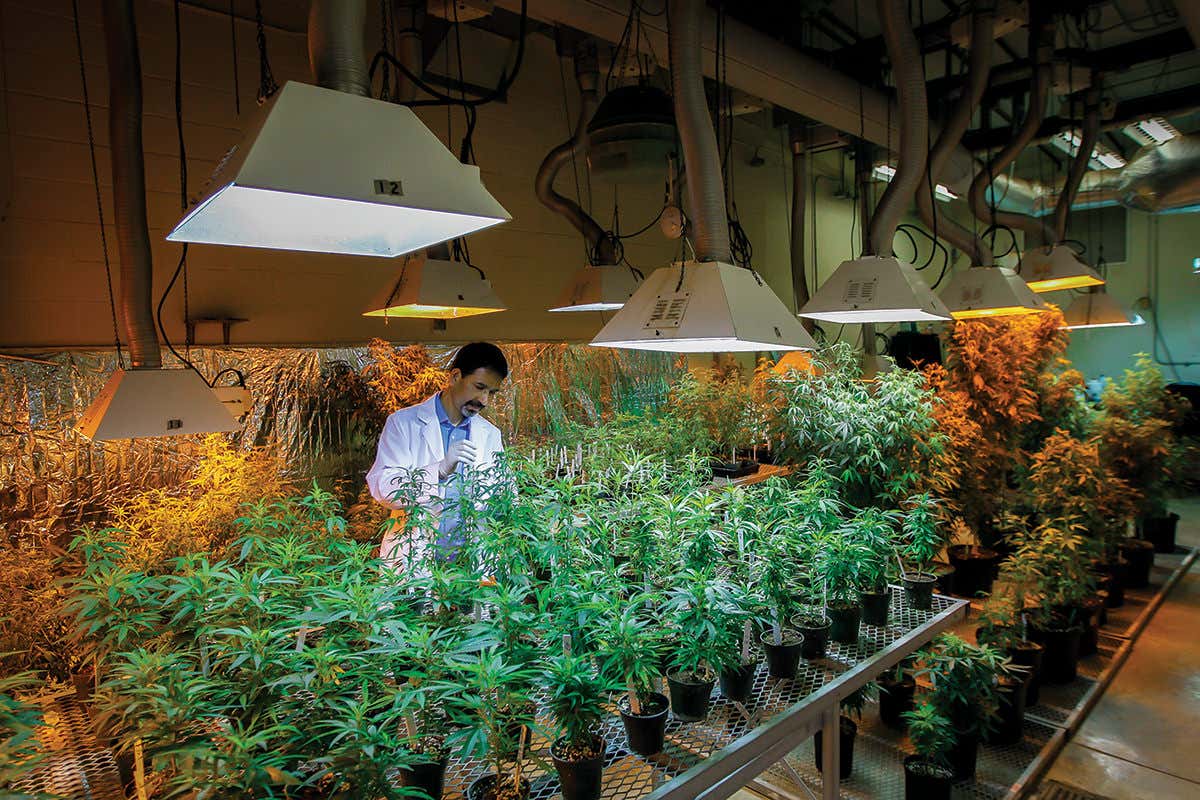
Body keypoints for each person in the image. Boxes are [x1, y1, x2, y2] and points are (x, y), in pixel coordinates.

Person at [366, 342, 508, 567]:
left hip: (469, 565)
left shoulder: (489, 434)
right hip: (413, 559)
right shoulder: (403, 424)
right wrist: (438, 471)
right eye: (479, 387)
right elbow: (382, 489)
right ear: (455, 377)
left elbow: (502, 495)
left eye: (491, 392)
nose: (484, 400)